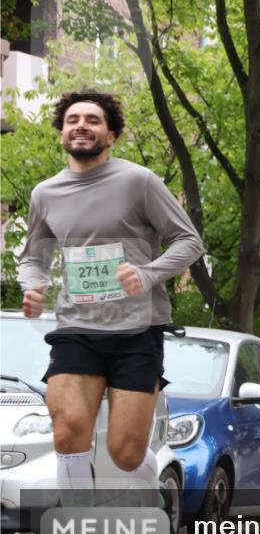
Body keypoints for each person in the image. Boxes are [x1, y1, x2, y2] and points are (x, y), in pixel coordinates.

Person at [17, 91, 203, 511]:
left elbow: (189, 241)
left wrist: (148, 273)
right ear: (62, 131)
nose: (81, 125)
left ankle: (155, 479)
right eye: (73, 119)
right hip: (76, 328)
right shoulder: (45, 193)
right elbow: (34, 256)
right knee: (67, 431)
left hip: (137, 330)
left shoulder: (139, 181)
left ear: (111, 135)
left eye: (93, 120)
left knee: (125, 453)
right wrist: (33, 285)